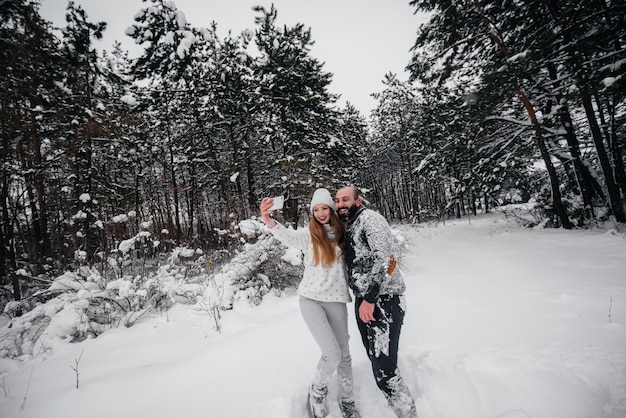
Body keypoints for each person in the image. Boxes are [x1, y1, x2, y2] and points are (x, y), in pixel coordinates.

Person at [260, 188, 360, 418]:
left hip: (336, 299)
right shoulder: (308, 234)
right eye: (316, 209)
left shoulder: (343, 233)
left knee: (344, 355)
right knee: (332, 354)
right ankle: (317, 391)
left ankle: (348, 401)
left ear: (332, 209)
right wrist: (268, 220)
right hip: (311, 300)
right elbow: (286, 236)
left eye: (325, 208)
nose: (321, 213)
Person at [335, 186, 418, 418]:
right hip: (365, 302)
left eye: (345, 199)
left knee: (385, 370)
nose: (341, 204)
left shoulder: (370, 220)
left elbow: (387, 261)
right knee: (378, 363)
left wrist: (370, 298)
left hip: (384, 300)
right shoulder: (349, 226)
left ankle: (408, 414)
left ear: (357, 201)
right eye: (337, 200)